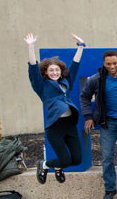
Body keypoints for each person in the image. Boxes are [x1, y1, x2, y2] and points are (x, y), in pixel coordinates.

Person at [80, 50, 117, 199]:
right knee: (106, 157)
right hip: (108, 123)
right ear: (104, 63)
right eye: (108, 64)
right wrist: (88, 117)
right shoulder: (97, 78)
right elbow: (85, 96)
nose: (112, 66)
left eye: (114, 63)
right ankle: (110, 189)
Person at [25, 33, 85, 184]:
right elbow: (33, 69)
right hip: (55, 128)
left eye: (57, 70)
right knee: (64, 160)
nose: (54, 72)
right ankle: (44, 165)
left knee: (76, 160)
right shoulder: (42, 86)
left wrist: (81, 46)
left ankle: (57, 167)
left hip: (69, 126)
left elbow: (75, 65)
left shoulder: (65, 82)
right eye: (51, 70)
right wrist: (31, 47)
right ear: (45, 72)